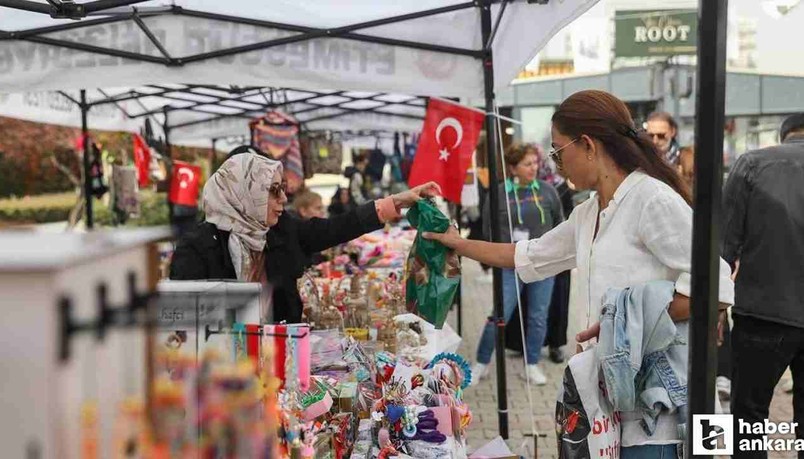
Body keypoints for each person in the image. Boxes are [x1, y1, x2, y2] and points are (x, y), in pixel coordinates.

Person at [424, 90, 734, 457]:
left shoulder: (652, 199)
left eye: (557, 151)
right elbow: (528, 255)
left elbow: (716, 286)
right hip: (617, 400)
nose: (555, 164)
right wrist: (457, 244)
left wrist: (624, 321)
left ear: (587, 145)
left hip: (665, 406)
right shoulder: (589, 213)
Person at [170, 147, 441, 323]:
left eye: (282, 189)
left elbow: (334, 228)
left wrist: (395, 203)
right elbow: (183, 325)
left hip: (282, 357)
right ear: (243, 195)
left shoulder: (278, 229)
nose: (283, 198)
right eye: (272, 190)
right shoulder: (197, 248)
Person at [723, 113, 804, 455]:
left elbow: (722, 247)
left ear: (783, 135)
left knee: (749, 417)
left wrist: (715, 307)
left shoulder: (752, 164)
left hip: (763, 313)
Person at [474, 143, 564, 385]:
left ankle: (531, 364)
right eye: (527, 164)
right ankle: (481, 363)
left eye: (535, 162)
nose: (533, 168)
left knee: (538, 316)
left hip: (542, 264)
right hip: (509, 262)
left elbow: (559, 224)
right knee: (500, 314)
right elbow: (488, 228)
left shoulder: (548, 191)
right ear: (513, 168)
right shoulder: (499, 193)